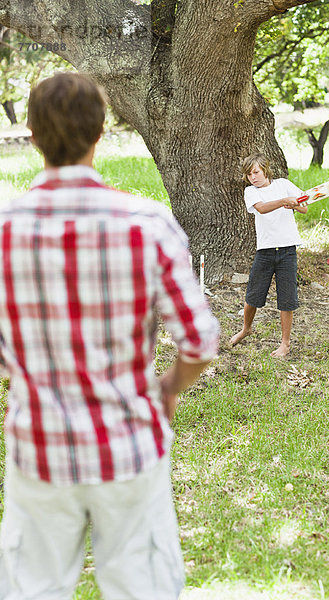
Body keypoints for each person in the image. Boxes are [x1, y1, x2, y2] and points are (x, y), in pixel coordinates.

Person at [0, 72, 219, 600]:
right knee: (142, 586)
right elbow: (199, 341)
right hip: (130, 447)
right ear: (101, 132)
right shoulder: (146, 223)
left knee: (31, 589)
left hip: (39, 447)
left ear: (31, 134)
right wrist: (166, 389)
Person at [230, 153, 307, 357]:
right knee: (253, 296)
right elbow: (262, 209)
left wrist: (295, 204)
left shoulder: (283, 184)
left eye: (256, 172)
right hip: (265, 250)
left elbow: (304, 208)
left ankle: (285, 343)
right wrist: (284, 201)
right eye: (249, 174)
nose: (253, 177)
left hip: (287, 249)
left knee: (286, 298)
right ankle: (246, 329)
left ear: (265, 169)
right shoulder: (250, 192)